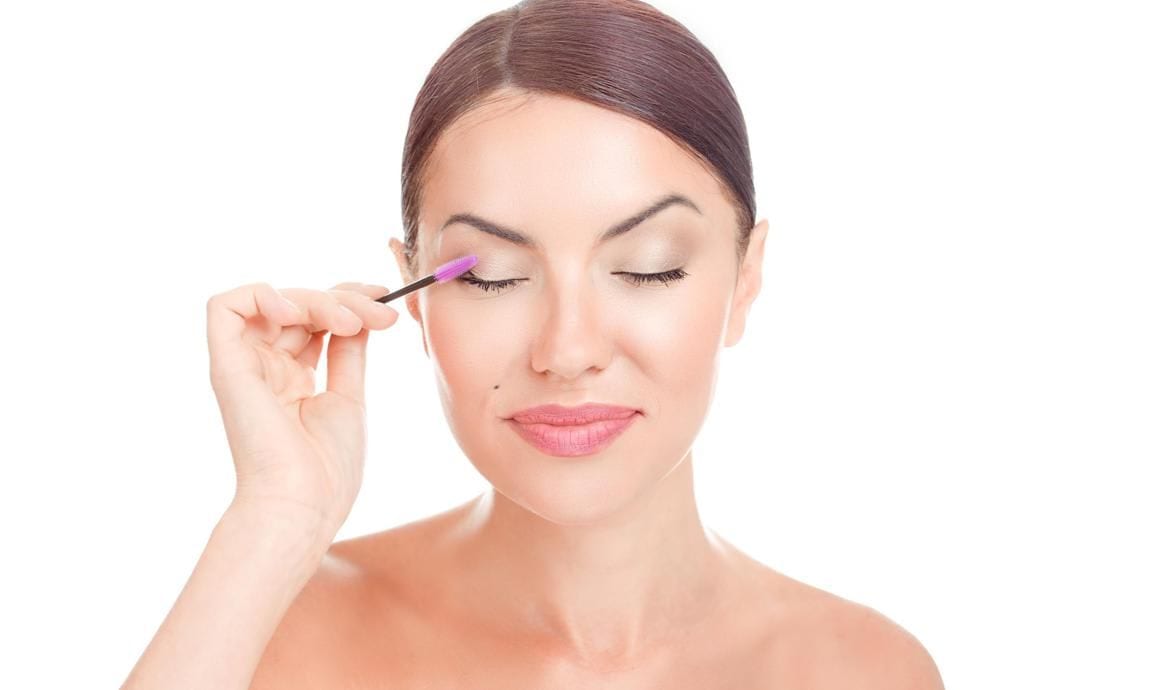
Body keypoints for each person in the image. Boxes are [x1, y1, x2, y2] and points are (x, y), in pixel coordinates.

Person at [123, 1, 944, 688]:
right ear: (410, 293)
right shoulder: (271, 638)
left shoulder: (865, 671)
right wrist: (273, 523)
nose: (568, 349)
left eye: (648, 268)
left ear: (746, 279)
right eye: (492, 277)